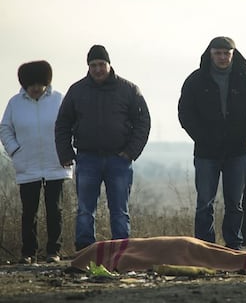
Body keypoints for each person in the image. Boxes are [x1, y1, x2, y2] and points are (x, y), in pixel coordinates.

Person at [55, 45, 151, 251]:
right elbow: (62, 123)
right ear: (88, 67)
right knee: (84, 210)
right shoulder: (77, 91)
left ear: (109, 65)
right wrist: (65, 153)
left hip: (119, 159)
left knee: (119, 210)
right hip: (87, 158)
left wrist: (130, 152)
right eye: (93, 65)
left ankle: (121, 251)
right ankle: (84, 250)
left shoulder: (128, 90)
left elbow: (143, 122)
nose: (97, 69)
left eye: (101, 64)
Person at [178, 36, 246, 250]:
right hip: (206, 152)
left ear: (233, 54)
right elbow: (185, 113)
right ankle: (203, 246)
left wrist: (245, 135)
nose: (222, 57)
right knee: (204, 203)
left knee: (235, 203)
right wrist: (201, 136)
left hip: (237, 151)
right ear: (210, 53)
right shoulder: (196, 79)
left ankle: (233, 245)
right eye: (218, 53)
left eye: (226, 53)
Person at [0, 61, 72, 264]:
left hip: (55, 163)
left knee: (54, 209)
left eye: (38, 84)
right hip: (27, 165)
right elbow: (5, 128)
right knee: (29, 211)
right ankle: (28, 252)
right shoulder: (15, 103)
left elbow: (70, 125)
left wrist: (66, 150)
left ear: (46, 83)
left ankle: (53, 251)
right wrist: (15, 150)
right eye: (30, 85)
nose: (34, 89)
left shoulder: (59, 100)